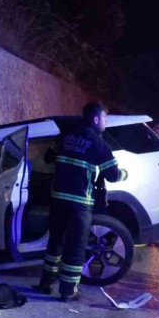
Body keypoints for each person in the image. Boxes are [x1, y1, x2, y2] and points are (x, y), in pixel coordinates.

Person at [37, 102, 126, 301]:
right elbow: (112, 175)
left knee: (55, 242)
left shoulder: (65, 136)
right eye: (104, 118)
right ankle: (68, 291)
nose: (105, 122)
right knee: (76, 245)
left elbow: (49, 157)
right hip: (80, 203)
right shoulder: (98, 143)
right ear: (96, 119)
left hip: (58, 199)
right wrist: (122, 174)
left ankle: (46, 282)